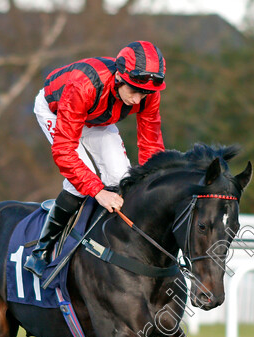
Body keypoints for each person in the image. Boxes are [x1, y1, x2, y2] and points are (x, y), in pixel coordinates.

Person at [24, 41, 167, 277]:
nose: (139, 100)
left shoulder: (147, 92)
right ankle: (42, 250)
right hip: (59, 110)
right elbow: (64, 151)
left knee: (123, 178)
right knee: (80, 183)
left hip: (97, 117)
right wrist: (98, 191)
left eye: (146, 93)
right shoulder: (83, 86)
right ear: (120, 78)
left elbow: (151, 144)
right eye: (135, 90)